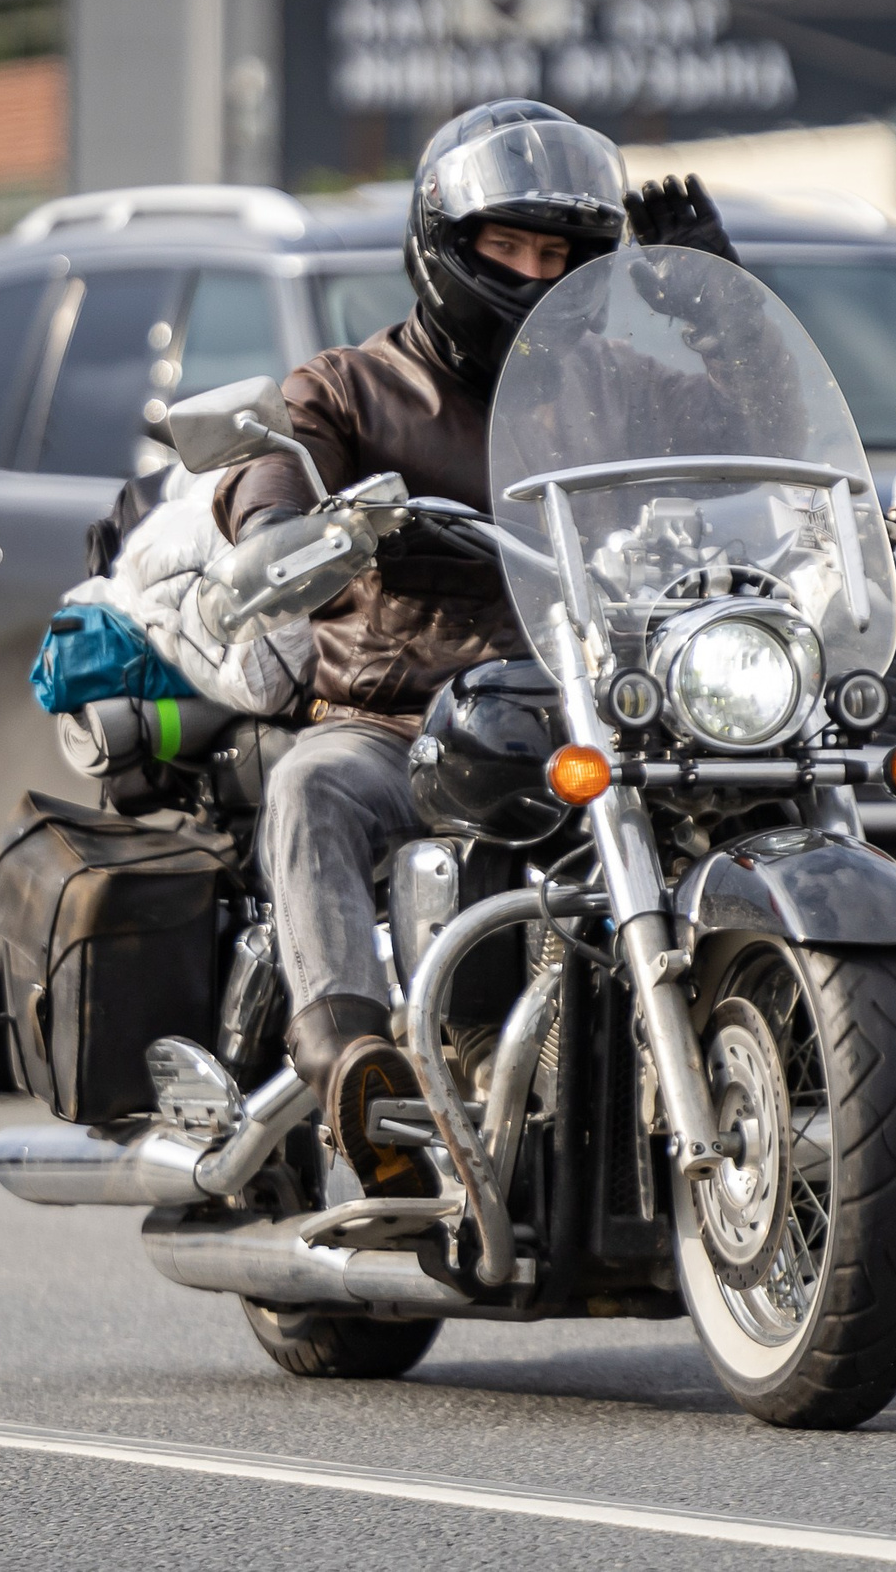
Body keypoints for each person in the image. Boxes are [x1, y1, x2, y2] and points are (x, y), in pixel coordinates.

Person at [209, 100, 739, 1198]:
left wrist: (717, 313)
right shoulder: (352, 387)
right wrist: (278, 526)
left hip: (597, 712)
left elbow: (744, 446)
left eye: (560, 254)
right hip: (404, 726)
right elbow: (272, 465)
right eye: (509, 246)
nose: (537, 273)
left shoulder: (615, 384)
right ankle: (349, 1055)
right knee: (312, 784)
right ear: (444, 249)